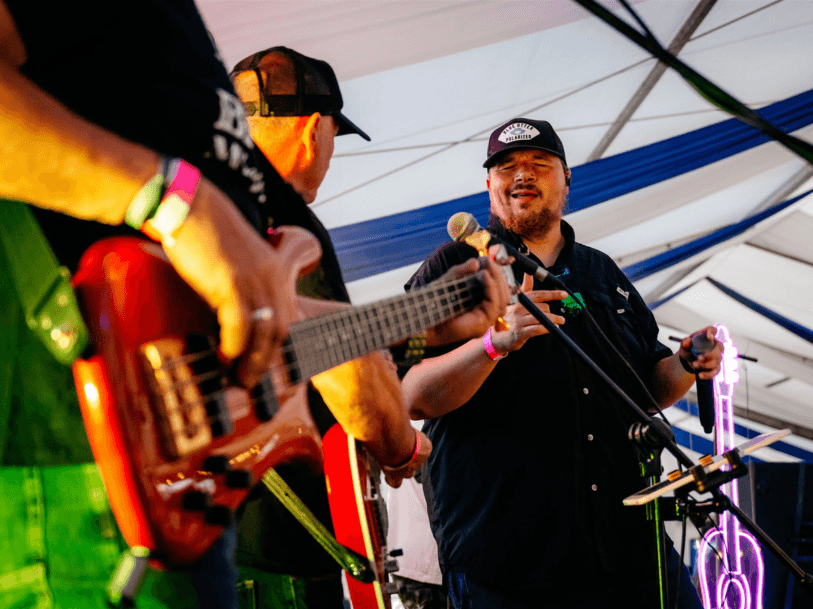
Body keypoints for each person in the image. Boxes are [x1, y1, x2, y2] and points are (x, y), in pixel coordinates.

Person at [226, 47, 512, 609]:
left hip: (209, 535)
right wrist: (400, 445)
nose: (330, 156)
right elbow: (346, 373)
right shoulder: (282, 218)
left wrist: (423, 332)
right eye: (334, 136)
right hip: (272, 549)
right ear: (313, 130)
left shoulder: (203, 201)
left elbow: (304, 346)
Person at [400, 117, 724, 609]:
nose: (522, 175)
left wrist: (686, 362)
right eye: (506, 166)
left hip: (628, 547)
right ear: (489, 184)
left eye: (539, 163)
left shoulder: (600, 272)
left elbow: (646, 387)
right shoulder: (452, 267)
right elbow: (410, 393)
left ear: (567, 178)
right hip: (509, 562)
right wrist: (492, 344)